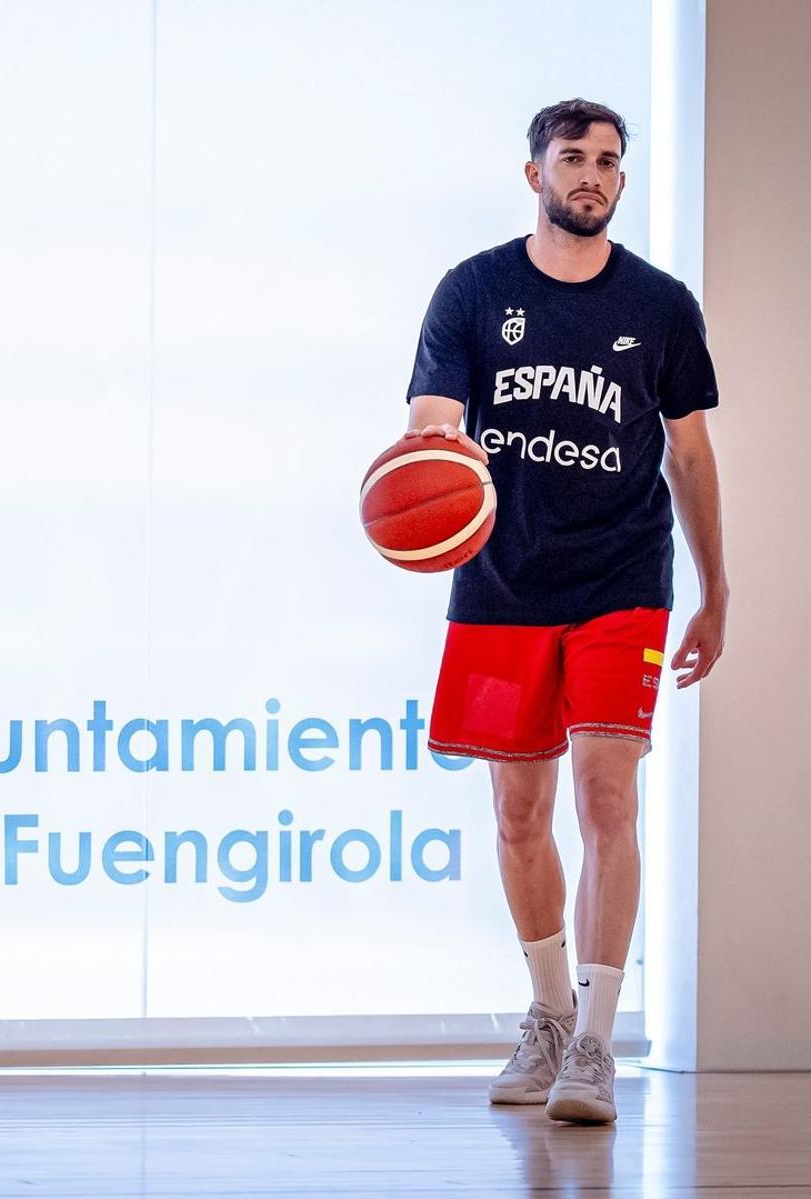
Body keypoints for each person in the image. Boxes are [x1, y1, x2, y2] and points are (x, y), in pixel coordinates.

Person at [404, 98, 727, 1124]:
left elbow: (689, 453)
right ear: (534, 172)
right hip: (504, 581)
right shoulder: (474, 290)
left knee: (606, 795)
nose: (591, 174)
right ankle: (544, 1012)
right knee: (519, 812)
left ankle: (595, 1037)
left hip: (620, 579)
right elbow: (433, 423)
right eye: (572, 157)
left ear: (621, 183)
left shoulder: (663, 306)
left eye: (608, 162)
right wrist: (440, 466)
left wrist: (718, 589)